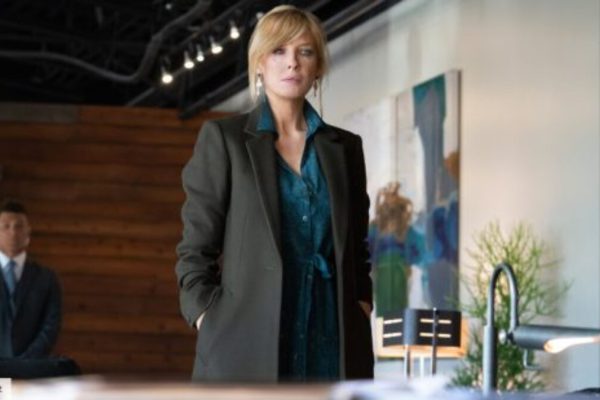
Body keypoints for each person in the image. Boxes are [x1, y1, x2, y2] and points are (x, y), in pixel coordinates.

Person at [176, 5, 373, 382]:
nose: (292, 62)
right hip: (244, 342)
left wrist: (362, 304)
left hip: (332, 340)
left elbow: (357, 246)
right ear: (259, 64)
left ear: (317, 67)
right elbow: (195, 250)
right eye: (278, 50)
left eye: (305, 51)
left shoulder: (345, 148)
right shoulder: (225, 140)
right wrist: (207, 316)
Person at [0, 199, 62, 358]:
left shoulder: (46, 278)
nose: (13, 233)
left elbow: (50, 326)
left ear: (28, 232)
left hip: (32, 367)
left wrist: (26, 362)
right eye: (6, 226)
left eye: (19, 226)